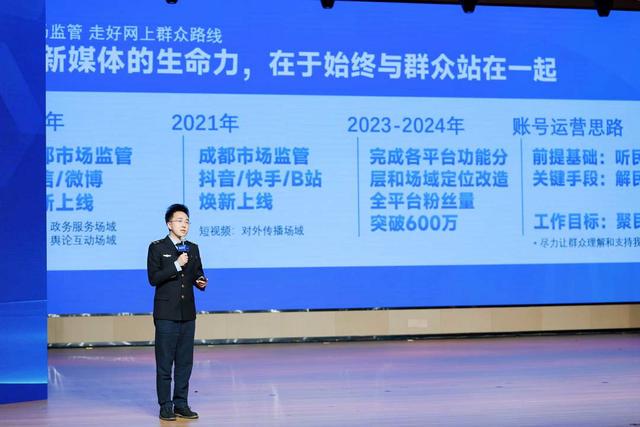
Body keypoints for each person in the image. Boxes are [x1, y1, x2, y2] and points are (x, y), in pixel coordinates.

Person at [147, 203, 208, 421]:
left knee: (184, 362)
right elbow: (153, 278)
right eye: (180, 221)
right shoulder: (157, 247)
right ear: (169, 224)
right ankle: (166, 405)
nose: (184, 225)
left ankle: (181, 403)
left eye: (187, 222)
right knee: (165, 362)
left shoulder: (193, 248)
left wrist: (200, 281)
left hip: (187, 312)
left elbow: (197, 273)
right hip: (166, 313)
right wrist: (176, 264)